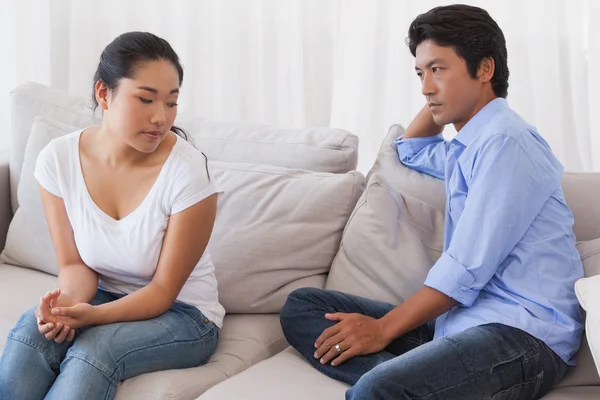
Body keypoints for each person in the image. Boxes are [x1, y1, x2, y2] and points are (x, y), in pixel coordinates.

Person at [279, 5, 583, 400]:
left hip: (521, 336)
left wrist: (385, 329)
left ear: (485, 68)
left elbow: (465, 270)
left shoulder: (509, 142)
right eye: (420, 73)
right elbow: (412, 149)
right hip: (458, 324)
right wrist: (444, 92)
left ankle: (405, 384)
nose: (425, 87)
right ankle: (428, 382)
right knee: (302, 307)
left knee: (375, 391)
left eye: (438, 69)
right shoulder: (469, 146)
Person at [0, 31, 225, 399]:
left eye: (171, 103)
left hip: (185, 316)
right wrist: (66, 307)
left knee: (94, 351)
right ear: (104, 94)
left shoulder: (187, 172)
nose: (160, 117)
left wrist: (90, 317)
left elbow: (163, 292)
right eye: (146, 99)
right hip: (104, 296)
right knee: (31, 332)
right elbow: (74, 265)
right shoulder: (58, 160)